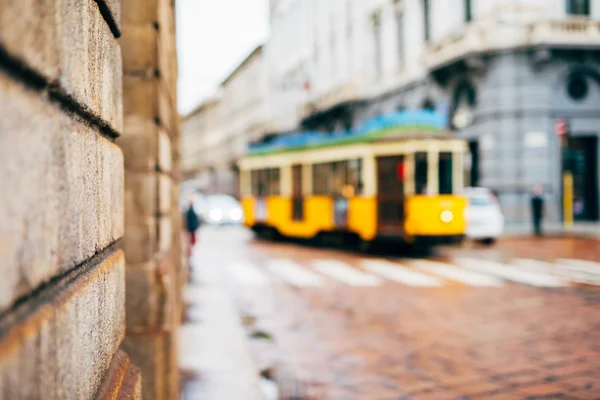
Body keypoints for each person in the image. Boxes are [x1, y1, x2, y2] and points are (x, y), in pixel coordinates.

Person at [185, 196, 200, 267]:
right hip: (190, 231)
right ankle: (189, 262)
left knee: (190, 247)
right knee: (189, 247)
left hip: (191, 230)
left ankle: (189, 261)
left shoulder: (190, 211)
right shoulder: (190, 211)